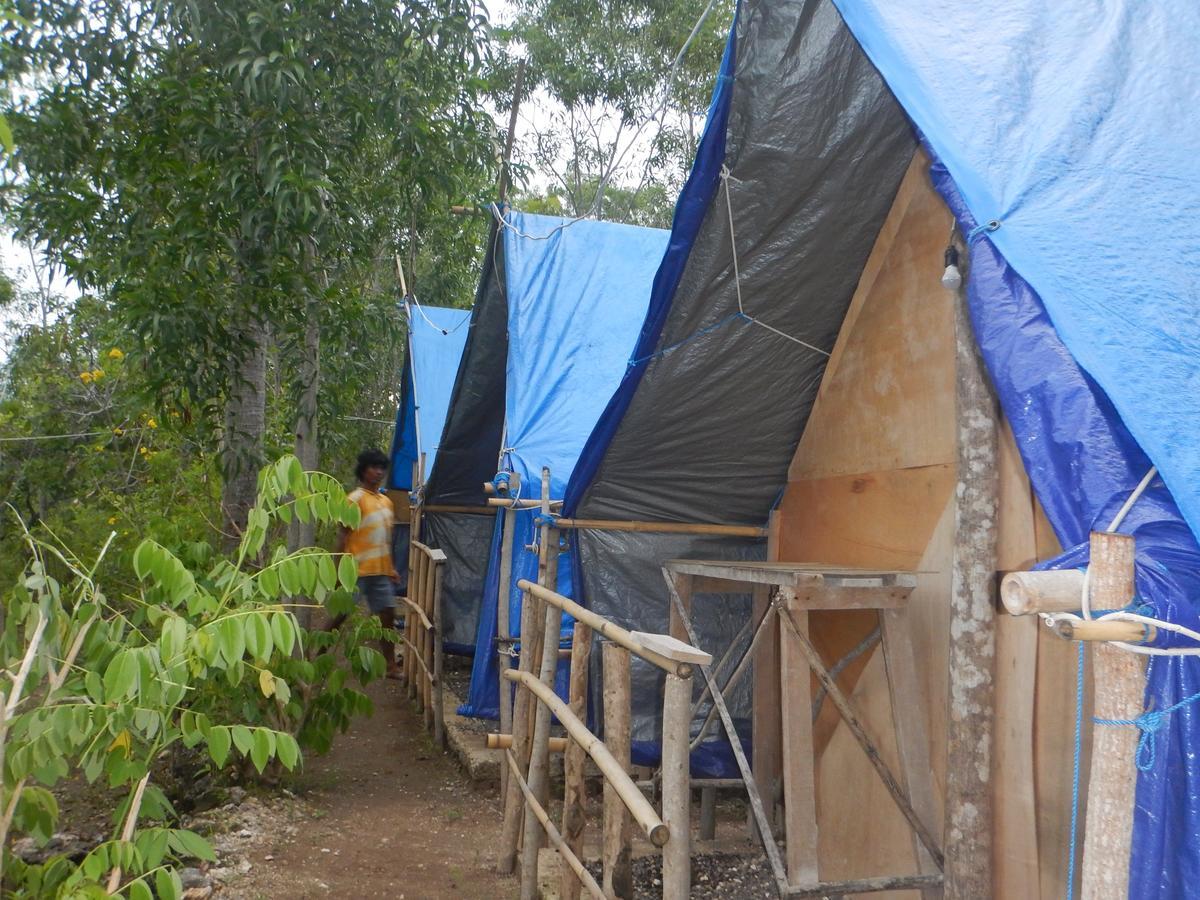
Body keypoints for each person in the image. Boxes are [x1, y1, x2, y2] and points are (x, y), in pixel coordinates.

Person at [334, 448, 401, 678]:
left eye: (382, 468)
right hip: (356, 571)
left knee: (387, 617)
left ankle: (390, 666)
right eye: (374, 467)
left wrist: (391, 568)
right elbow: (342, 535)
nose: (378, 472)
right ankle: (318, 654)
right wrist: (338, 572)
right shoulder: (354, 499)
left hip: (380, 572)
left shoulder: (386, 502)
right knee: (339, 615)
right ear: (363, 470)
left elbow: (385, 539)